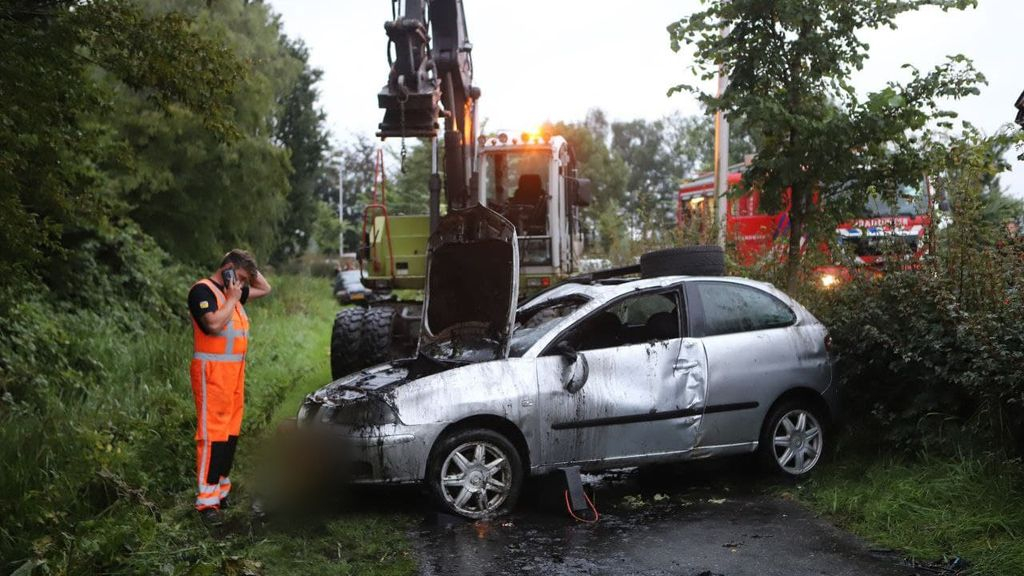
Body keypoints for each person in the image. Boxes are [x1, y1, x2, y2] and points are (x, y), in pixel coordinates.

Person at [187, 249, 272, 522]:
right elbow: (212, 324)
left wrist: (246, 271)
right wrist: (234, 295)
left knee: (229, 433)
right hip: (211, 373)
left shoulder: (232, 291)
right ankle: (206, 502)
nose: (245, 284)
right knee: (212, 435)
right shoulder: (203, 291)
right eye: (242, 277)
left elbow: (266, 288)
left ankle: (220, 491)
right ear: (227, 268)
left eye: (246, 280)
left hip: (234, 374)